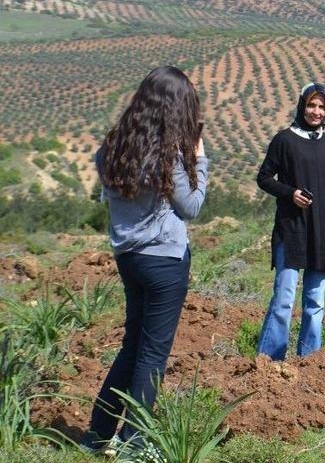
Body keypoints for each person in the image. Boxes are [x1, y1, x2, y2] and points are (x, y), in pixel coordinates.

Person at [81, 66, 208, 452]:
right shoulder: (168, 154)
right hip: (165, 260)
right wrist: (201, 160)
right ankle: (134, 443)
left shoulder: (112, 149)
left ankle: (98, 435)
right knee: (152, 353)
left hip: (128, 258)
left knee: (132, 346)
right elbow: (191, 206)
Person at [256, 82, 325, 360]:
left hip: (320, 231)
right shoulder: (284, 140)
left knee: (315, 302)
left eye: (321, 107)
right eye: (311, 105)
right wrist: (290, 193)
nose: (316, 111)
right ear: (301, 105)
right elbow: (264, 178)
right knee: (284, 300)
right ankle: (270, 361)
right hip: (292, 228)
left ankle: (310, 363)